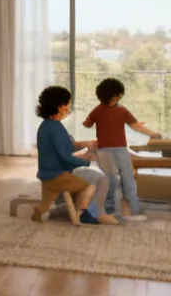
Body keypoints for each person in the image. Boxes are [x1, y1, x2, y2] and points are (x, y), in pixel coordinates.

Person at [33, 85, 113, 225]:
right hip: (57, 176)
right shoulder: (56, 128)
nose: (69, 109)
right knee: (91, 183)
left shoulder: (46, 126)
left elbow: (63, 147)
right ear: (60, 106)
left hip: (46, 174)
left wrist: (83, 144)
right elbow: (66, 157)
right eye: (68, 105)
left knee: (45, 206)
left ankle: (44, 210)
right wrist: (87, 161)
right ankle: (82, 213)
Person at [83, 78, 161, 222]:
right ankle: (114, 210)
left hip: (115, 150)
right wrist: (152, 133)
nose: (117, 99)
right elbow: (136, 125)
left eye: (118, 97)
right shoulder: (110, 110)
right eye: (115, 97)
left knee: (123, 179)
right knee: (114, 181)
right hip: (107, 151)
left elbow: (87, 124)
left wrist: (152, 134)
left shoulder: (108, 110)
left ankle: (132, 208)